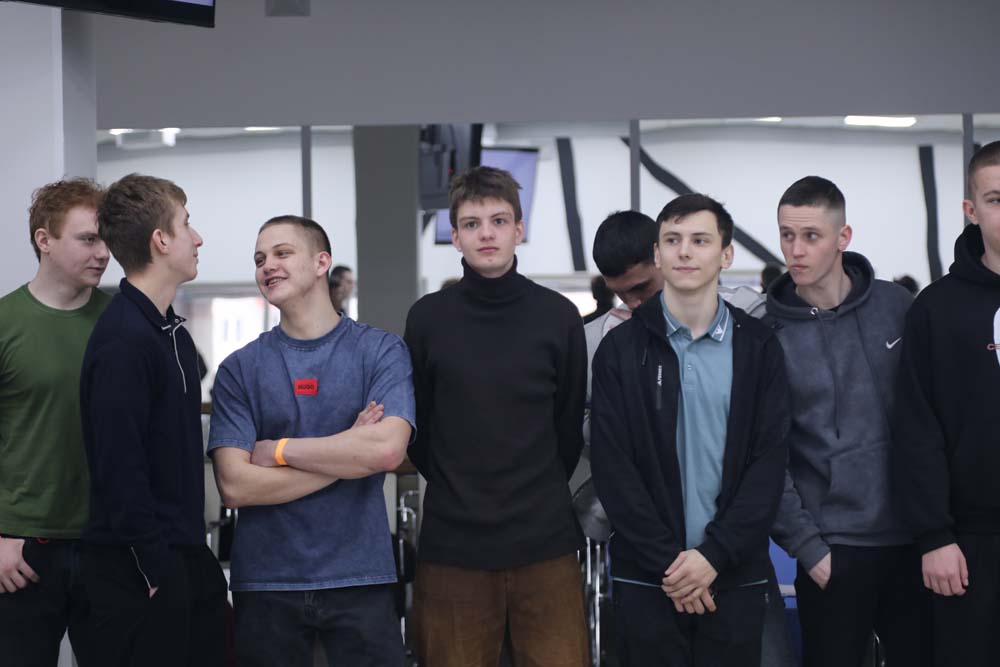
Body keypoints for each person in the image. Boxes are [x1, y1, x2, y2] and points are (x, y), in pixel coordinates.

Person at [590, 194, 790, 666]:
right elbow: (614, 468)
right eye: (672, 240)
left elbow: (767, 465)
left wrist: (712, 557)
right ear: (657, 254)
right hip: (648, 578)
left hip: (733, 574)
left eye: (700, 240)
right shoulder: (619, 350)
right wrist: (672, 565)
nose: (684, 251)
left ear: (726, 254)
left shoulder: (759, 346)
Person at [208, 215, 414, 666]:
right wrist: (349, 451)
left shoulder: (380, 351)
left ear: (322, 263)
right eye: (259, 259)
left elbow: (386, 450)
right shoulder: (239, 369)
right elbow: (236, 486)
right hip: (267, 581)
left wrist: (278, 451)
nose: (267, 265)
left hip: (360, 576)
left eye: (282, 253)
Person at [404, 166, 589, 666]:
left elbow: (567, 426)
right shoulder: (427, 319)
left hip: (544, 541)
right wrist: (459, 488)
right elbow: (417, 428)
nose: (486, 234)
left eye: (499, 221)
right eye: (471, 223)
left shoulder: (558, 316)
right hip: (454, 544)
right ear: (455, 236)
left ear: (518, 230)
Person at [765, 176, 929, 667]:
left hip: (913, 540)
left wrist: (940, 529)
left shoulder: (896, 307)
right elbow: (765, 457)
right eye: (787, 235)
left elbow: (932, 418)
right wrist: (809, 551)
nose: (796, 250)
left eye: (811, 236)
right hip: (833, 549)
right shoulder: (767, 336)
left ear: (843, 237)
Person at [79, 174, 227, 667]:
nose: (198, 238)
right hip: (139, 569)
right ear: (161, 240)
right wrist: (156, 568)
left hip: (183, 555)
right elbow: (119, 469)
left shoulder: (172, 334)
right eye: (187, 224)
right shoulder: (124, 340)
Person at [892, 140, 1000, 666]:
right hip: (968, 546)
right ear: (971, 210)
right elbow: (916, 430)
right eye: (996, 199)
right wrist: (934, 535)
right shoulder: (935, 309)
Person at [0, 178, 110, 667]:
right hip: (20, 548)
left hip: (108, 543)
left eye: (106, 239)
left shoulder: (121, 322)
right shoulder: (5, 323)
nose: (103, 253)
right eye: (89, 239)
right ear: (44, 240)